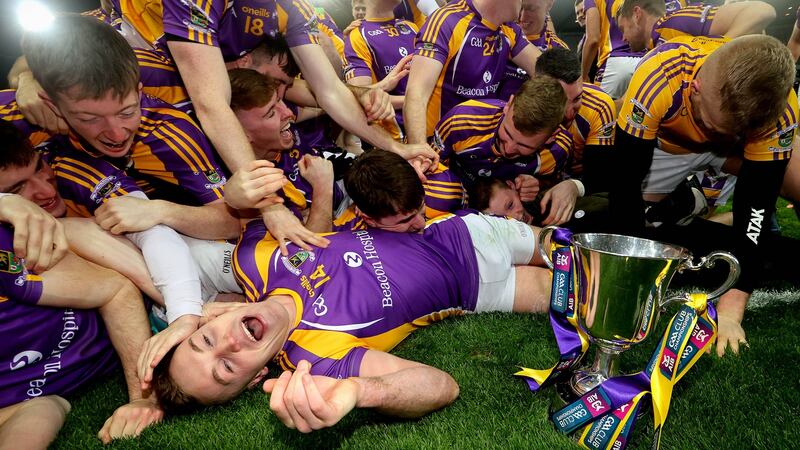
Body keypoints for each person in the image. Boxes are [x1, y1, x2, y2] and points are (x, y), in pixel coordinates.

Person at [150, 208, 552, 426]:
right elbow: (442, 386)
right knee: (585, 293)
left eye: (205, 341)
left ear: (205, 322)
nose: (228, 344)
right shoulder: (316, 356)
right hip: (481, 290)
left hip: (458, 231)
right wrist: (362, 391)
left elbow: (242, 210)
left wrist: (268, 205)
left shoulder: (254, 260)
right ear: (256, 378)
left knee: (571, 248)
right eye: (226, 367)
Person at [610, 34, 798, 357]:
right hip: (669, 146)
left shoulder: (781, 110)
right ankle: (681, 205)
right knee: (639, 219)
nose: (709, 131)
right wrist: (631, 285)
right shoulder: (658, 75)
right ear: (695, 86)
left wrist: (730, 312)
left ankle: (691, 200)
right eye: (706, 121)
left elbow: (755, 206)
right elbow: (624, 186)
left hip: (735, 152)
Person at [0, 190, 162, 446]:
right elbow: (44, 407)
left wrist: (143, 397)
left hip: (150, 264)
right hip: (157, 336)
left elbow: (117, 291)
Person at [435, 75, 579, 226]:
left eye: (525, 146)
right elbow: (429, 167)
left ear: (551, 137)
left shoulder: (559, 149)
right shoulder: (463, 120)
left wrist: (538, 184)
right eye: (507, 134)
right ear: (508, 105)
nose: (509, 149)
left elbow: (556, 185)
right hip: (456, 197)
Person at [403, 0, 542, 144]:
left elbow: (547, 72)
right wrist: (419, 149)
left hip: (481, 145)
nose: (524, 3)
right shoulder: (448, 21)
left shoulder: (510, 29)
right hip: (437, 145)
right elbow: (416, 94)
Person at [581, 0, 685, 98]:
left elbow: (593, 39)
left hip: (616, 63)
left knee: (603, 111)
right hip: (650, 58)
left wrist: (583, 76)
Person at [615, 0, 776, 52]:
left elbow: (761, 11)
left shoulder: (676, 20)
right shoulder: (655, 48)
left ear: (637, 15)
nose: (623, 38)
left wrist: (713, 58)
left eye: (623, 29)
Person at [499, 0, 569, 101]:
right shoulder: (498, 33)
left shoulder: (559, 49)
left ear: (549, 4)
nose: (522, 17)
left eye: (531, 9)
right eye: (519, 6)